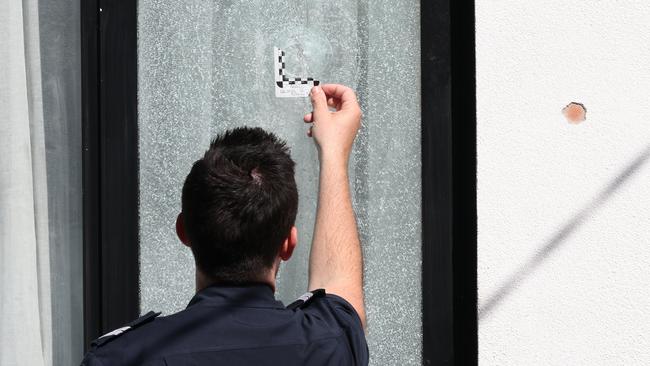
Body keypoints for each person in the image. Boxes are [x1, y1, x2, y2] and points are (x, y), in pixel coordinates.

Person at [80, 84, 368, 365]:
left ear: (184, 231)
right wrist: (333, 152)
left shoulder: (121, 356)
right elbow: (338, 282)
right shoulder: (329, 344)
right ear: (288, 244)